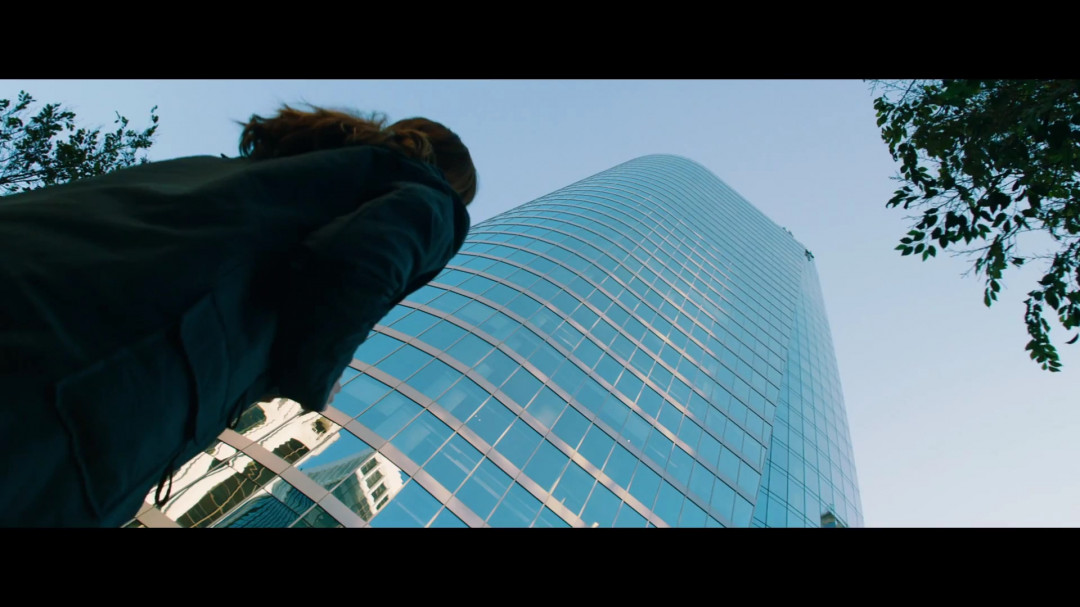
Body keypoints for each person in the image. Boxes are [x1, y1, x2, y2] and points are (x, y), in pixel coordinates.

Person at [0, 105, 476, 527]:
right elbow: (362, 264)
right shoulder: (432, 199)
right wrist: (316, 379)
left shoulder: (244, 168)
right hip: (87, 388)